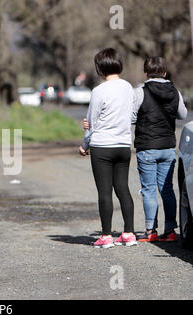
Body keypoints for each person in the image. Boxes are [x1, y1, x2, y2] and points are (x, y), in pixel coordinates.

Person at [79, 48, 137, 248]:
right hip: (123, 145)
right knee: (123, 188)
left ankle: (106, 236)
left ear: (100, 68)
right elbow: (131, 115)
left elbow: (92, 121)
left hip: (102, 146)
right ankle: (129, 233)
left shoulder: (99, 90)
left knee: (104, 192)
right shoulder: (129, 88)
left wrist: (84, 144)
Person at [132, 57, 187, 242]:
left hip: (147, 147)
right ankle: (171, 230)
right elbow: (183, 114)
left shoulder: (140, 91)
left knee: (148, 190)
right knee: (168, 189)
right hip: (168, 147)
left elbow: (131, 116)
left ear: (146, 73)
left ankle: (151, 231)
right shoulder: (174, 91)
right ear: (165, 72)